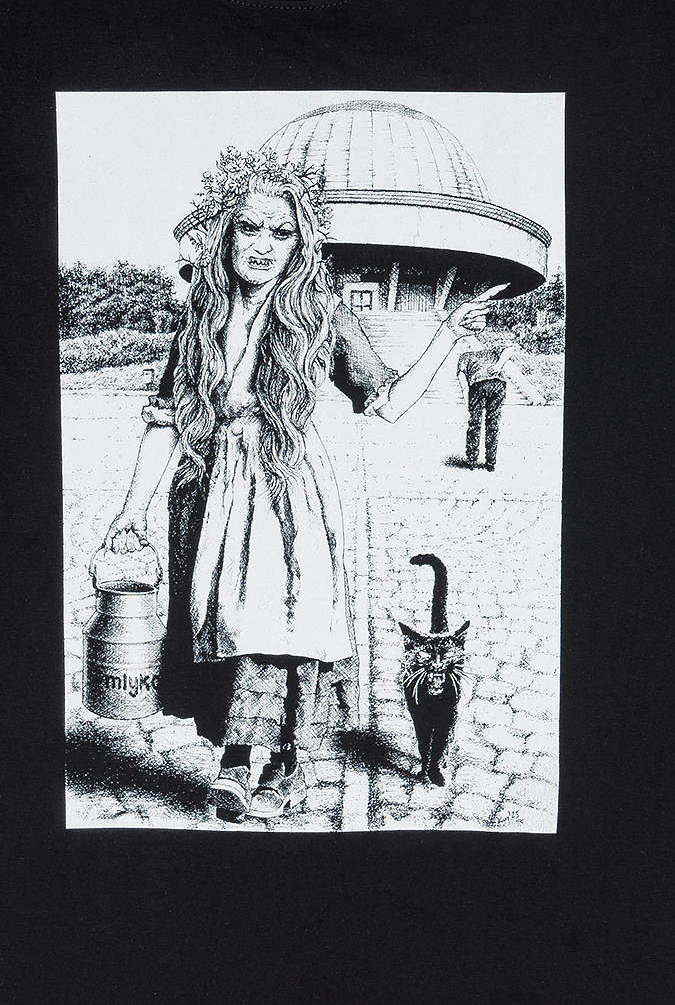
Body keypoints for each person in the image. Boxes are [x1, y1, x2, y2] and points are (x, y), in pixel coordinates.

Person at [100, 147, 500, 822]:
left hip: (289, 494)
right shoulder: (199, 316)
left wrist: (446, 335)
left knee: (285, 625)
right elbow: (166, 419)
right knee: (221, 624)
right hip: (207, 489)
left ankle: (287, 767)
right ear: (226, 233)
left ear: (299, 244)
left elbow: (388, 403)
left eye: (280, 232)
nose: (263, 245)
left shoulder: (321, 314)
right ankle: (233, 762)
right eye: (249, 228)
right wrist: (131, 510)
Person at [455, 311, 543, 472]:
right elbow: (509, 350)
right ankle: (489, 462)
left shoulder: (466, 356)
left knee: (476, 423)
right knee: (492, 423)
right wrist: (498, 366)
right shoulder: (487, 352)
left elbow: (463, 382)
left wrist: (498, 366)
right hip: (495, 385)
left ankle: (473, 460)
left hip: (481, 386)